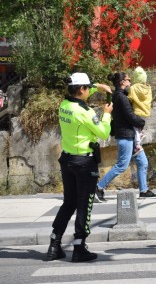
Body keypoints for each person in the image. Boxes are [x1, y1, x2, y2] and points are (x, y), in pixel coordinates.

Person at [46, 73, 112, 263]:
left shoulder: (64, 105)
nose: (89, 90)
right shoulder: (86, 112)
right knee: (85, 204)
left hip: (67, 160)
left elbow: (82, 90)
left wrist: (98, 86)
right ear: (81, 89)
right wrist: (106, 115)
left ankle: (54, 244)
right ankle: (79, 247)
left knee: (69, 203)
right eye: (88, 88)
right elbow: (104, 132)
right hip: (84, 162)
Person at [96, 72, 156, 202]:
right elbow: (129, 116)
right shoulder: (121, 97)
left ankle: (144, 190)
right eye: (128, 79)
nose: (130, 81)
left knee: (142, 162)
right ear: (122, 82)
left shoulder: (122, 95)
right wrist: (141, 122)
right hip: (125, 136)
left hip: (130, 135)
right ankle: (99, 187)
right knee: (122, 165)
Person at [127, 66, 152, 157]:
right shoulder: (148, 88)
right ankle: (141, 133)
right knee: (139, 126)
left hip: (137, 111)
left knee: (135, 128)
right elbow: (150, 99)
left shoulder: (133, 87)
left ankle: (137, 145)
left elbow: (130, 98)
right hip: (146, 111)